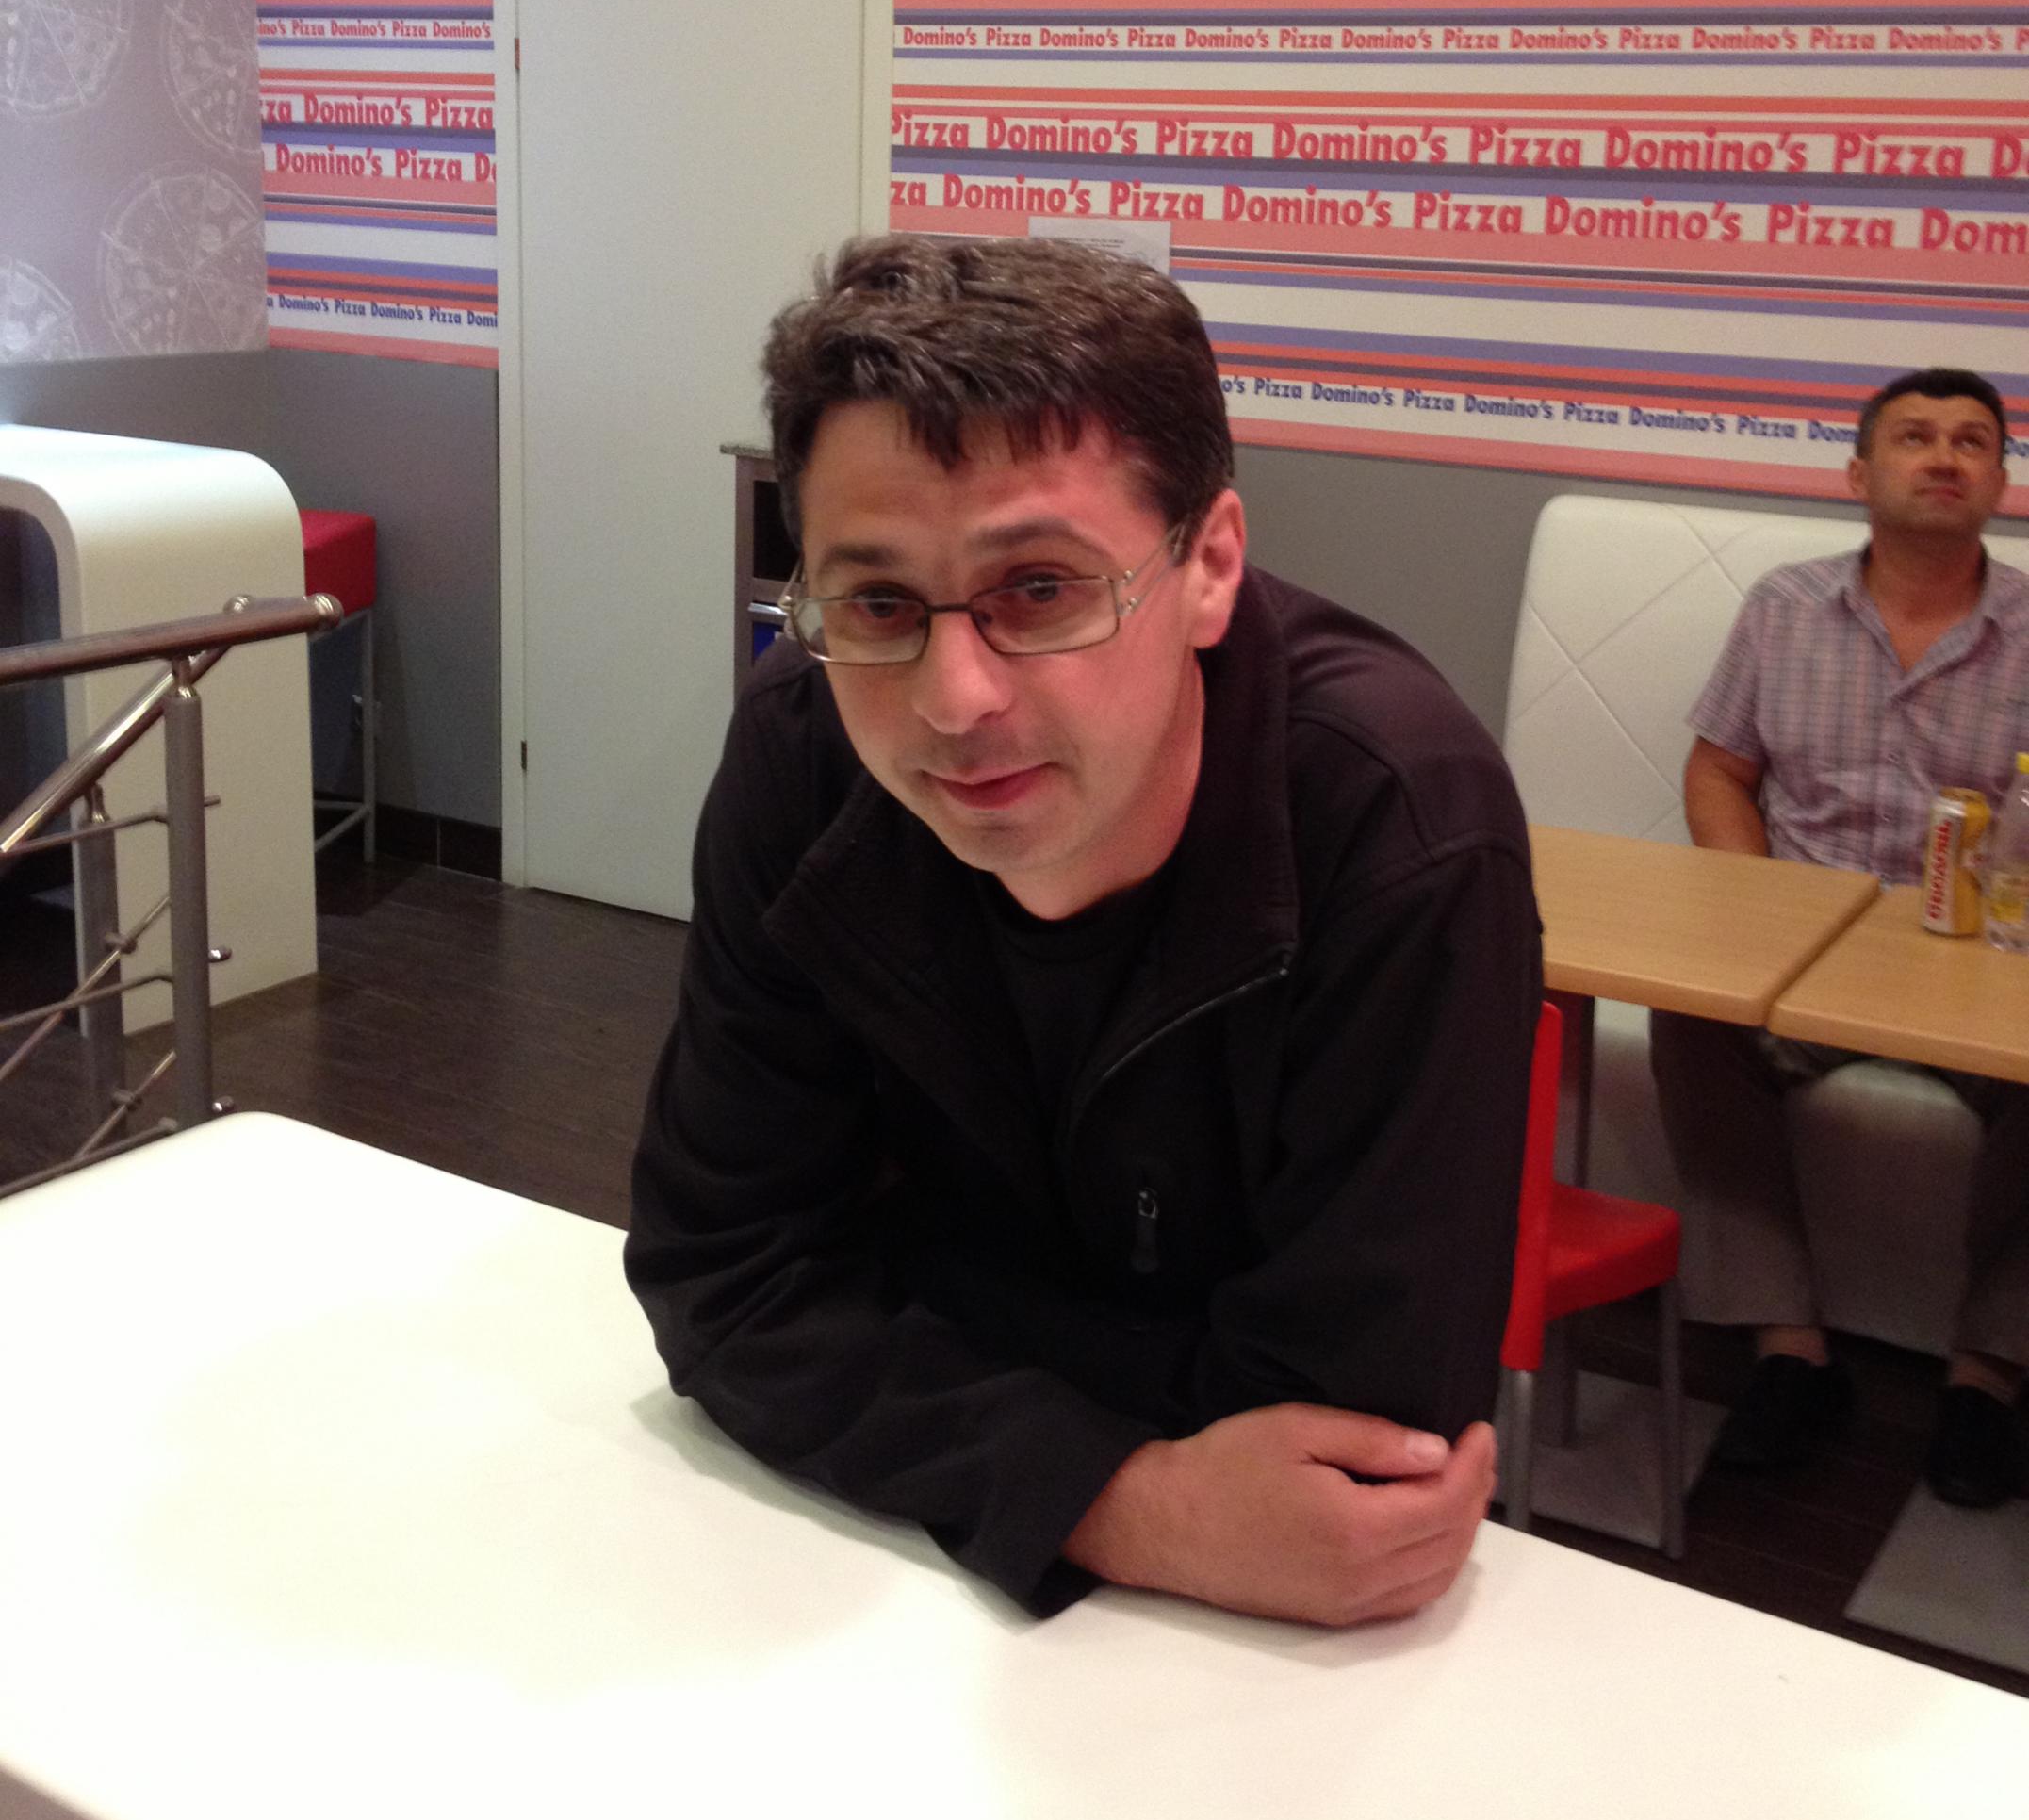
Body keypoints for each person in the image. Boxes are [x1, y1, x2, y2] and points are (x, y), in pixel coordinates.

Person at [626, 235, 1540, 1626]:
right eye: (878, 602)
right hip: (864, 1608)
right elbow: (722, 1274)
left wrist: (893, 1312)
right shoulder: (805, 749)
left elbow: (1346, 1456)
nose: (953, 697)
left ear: (1209, 564)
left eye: (1041, 588)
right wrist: (1130, 1497)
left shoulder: (1399, 825)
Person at [1652, 368, 2029, 1508]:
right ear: (1858, 473)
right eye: (1913, 436)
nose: (1943, 456)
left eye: (1970, 440)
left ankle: (1985, 1372)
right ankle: (1788, 1350)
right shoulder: (1783, 606)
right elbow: (1717, 768)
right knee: (1687, 1014)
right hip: (1804, 953)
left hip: (1977, 966)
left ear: (1999, 483)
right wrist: (1756, 906)